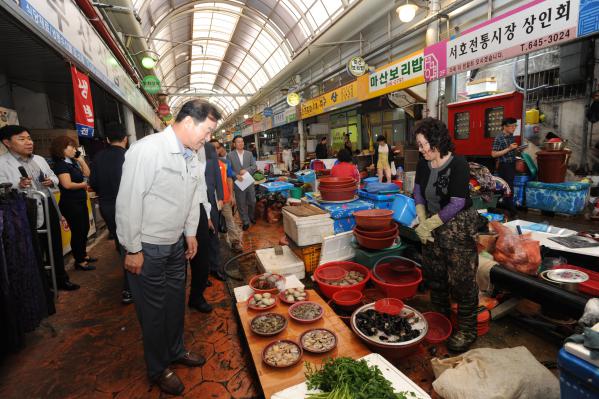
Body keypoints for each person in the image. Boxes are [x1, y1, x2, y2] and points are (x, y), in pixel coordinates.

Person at [116, 100, 221, 395]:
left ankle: (176, 350)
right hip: (147, 248)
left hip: (176, 245)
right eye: (208, 131)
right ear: (189, 122)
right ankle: (158, 367)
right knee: (152, 312)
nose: (209, 138)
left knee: (175, 304)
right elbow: (128, 202)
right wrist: (133, 248)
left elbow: (191, 196)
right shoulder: (147, 150)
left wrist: (190, 233)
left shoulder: (192, 154)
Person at [412, 117, 479, 352]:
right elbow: (418, 193)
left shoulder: (458, 164)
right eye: (419, 146)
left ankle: (467, 329)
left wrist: (429, 224)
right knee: (435, 275)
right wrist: (422, 220)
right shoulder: (423, 164)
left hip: (458, 226)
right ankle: (440, 321)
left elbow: (458, 202)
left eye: (423, 145)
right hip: (431, 220)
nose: (420, 150)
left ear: (436, 142)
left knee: (462, 280)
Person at [0, 125, 79, 291]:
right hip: (22, 210)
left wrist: (51, 181)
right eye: (22, 139)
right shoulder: (2, 163)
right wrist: (18, 184)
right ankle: (41, 286)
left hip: (47, 205)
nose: (29, 142)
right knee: (32, 249)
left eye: (29, 138)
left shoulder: (39, 159)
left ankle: (60, 279)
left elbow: (53, 176)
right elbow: (2, 189)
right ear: (7, 142)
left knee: (54, 244)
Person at [88, 129, 131, 304]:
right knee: (131, 245)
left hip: (107, 206)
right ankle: (130, 288)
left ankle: (130, 285)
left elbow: (93, 183)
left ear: (107, 139)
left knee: (122, 243)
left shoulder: (98, 157)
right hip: (128, 205)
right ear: (125, 139)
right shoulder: (129, 155)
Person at [50, 135, 97, 271]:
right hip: (70, 204)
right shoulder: (60, 164)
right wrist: (83, 185)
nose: (74, 149)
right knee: (78, 231)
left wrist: (81, 160)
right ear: (62, 148)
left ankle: (83, 255)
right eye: (71, 146)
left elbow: (88, 173)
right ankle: (79, 261)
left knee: (85, 229)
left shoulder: (72, 162)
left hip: (80, 201)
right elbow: (67, 184)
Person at [188, 140, 223, 314]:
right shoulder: (179, 154)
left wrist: (209, 213)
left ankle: (199, 291)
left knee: (208, 246)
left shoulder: (206, 152)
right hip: (184, 210)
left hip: (204, 207)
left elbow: (207, 184)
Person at [212, 139, 243, 253]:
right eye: (212, 147)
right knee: (213, 222)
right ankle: (215, 243)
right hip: (211, 200)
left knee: (230, 219)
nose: (215, 150)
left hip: (225, 198)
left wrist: (231, 195)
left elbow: (229, 179)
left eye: (217, 147)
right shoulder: (204, 163)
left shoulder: (225, 163)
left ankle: (235, 242)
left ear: (220, 149)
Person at [228, 135, 257, 231]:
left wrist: (246, 170)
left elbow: (254, 166)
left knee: (252, 201)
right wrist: (236, 175)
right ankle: (245, 221)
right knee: (241, 203)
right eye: (238, 142)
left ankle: (251, 216)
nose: (241, 143)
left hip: (248, 180)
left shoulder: (249, 154)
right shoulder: (230, 155)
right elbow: (229, 169)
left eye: (242, 141)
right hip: (238, 182)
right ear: (234, 144)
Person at [491, 117, 519, 215]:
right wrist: (509, 148)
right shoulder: (499, 138)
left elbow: (510, 151)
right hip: (504, 166)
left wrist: (516, 149)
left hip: (511, 164)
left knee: (508, 186)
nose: (514, 128)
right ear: (504, 126)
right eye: (511, 126)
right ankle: (510, 209)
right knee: (506, 187)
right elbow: (493, 154)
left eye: (515, 126)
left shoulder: (511, 136)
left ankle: (502, 206)